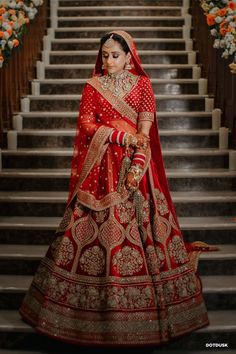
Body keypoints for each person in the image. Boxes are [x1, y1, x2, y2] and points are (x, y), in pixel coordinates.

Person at [19, 30, 217, 347]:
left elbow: (145, 130)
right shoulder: (92, 86)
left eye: (115, 55)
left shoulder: (143, 86)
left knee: (144, 229)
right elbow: (86, 125)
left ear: (129, 57)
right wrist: (119, 137)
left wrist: (137, 164)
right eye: (105, 55)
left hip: (135, 171)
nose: (108, 61)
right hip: (100, 169)